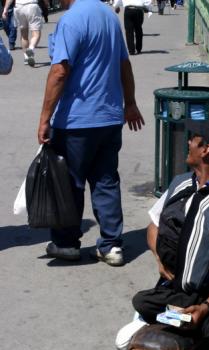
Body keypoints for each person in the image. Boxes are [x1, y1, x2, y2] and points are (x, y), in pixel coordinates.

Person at [115, 118, 209, 350]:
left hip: (208, 294)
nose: (188, 142)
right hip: (173, 287)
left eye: (193, 138)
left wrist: (206, 306)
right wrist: (159, 260)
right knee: (142, 301)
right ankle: (180, 320)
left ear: (206, 149)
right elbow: (153, 226)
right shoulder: (182, 183)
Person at [37, 0, 144, 266]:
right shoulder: (108, 17)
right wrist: (129, 104)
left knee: (70, 184)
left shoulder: (71, 20)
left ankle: (66, 244)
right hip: (109, 118)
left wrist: (44, 118)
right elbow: (124, 65)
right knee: (106, 180)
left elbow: (60, 71)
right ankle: (111, 246)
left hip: (76, 120)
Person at [2, 0, 44, 66]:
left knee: (24, 34)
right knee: (36, 33)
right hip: (32, 5)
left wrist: (5, 9)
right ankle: (31, 49)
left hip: (18, 7)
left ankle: (26, 57)